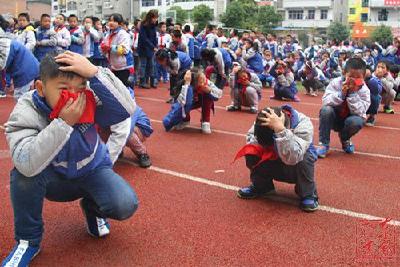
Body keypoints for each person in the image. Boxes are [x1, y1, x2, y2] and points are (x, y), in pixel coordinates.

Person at [2, 50, 138, 267]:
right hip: (51, 179)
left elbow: (127, 108)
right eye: (64, 89)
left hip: (91, 171)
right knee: (22, 177)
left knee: (125, 204)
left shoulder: (89, 100)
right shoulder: (26, 110)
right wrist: (63, 123)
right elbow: (26, 163)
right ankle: (28, 240)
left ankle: (92, 208)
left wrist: (95, 72)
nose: (74, 97)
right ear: (41, 88)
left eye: (80, 88)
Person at [235, 106, 318, 212]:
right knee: (251, 150)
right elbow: (251, 140)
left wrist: (280, 131)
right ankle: (262, 186)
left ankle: (308, 193)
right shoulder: (263, 120)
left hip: (294, 162)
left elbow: (293, 157)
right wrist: (264, 146)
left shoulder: (303, 123)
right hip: (273, 159)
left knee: (305, 156)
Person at [317, 58, 371, 158]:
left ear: (363, 77)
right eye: (350, 76)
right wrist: (341, 94)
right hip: (335, 118)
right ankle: (324, 144)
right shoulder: (335, 83)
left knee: (358, 121)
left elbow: (360, 111)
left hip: (350, 120)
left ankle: (345, 138)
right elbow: (325, 100)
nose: (353, 80)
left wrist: (352, 94)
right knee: (325, 110)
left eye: (358, 77)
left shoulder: (365, 91)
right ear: (344, 73)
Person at [98, 90, 153, 168]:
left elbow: (127, 129)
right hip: (126, 127)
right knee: (103, 129)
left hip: (140, 129)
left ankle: (142, 153)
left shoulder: (128, 106)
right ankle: (118, 150)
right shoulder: (108, 104)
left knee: (125, 133)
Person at [163, 68, 223, 134]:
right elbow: (183, 103)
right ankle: (185, 119)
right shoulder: (186, 87)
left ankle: (205, 120)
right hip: (190, 101)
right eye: (201, 81)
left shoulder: (206, 82)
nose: (204, 82)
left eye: (204, 78)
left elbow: (218, 95)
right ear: (194, 82)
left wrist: (209, 91)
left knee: (208, 97)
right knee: (183, 105)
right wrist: (187, 85)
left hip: (201, 100)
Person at [0, 15, 39, 101]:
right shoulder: (12, 34)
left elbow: (3, 63)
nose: (21, 22)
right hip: (22, 66)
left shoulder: (3, 42)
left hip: (25, 68)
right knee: (20, 97)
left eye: (23, 20)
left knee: (20, 99)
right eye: (19, 20)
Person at [100, 13, 133, 87]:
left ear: (120, 24)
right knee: (116, 88)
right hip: (113, 66)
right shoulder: (108, 34)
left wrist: (110, 47)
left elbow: (125, 50)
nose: (111, 22)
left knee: (124, 88)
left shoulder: (123, 34)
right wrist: (102, 48)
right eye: (110, 20)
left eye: (114, 21)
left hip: (124, 66)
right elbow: (103, 46)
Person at [137, 9, 158, 89]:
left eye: (156, 18)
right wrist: (153, 46)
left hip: (151, 48)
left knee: (151, 65)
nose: (155, 19)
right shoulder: (144, 25)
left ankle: (150, 81)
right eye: (154, 18)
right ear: (150, 17)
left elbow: (154, 36)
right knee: (143, 65)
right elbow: (144, 38)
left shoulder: (154, 25)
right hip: (143, 48)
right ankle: (142, 82)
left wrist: (155, 45)